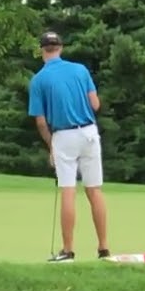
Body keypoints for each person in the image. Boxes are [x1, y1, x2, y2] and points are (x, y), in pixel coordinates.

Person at [27, 30, 109, 262]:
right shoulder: (80, 70)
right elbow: (95, 104)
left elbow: (41, 121)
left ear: (42, 51)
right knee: (94, 190)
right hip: (89, 133)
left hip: (63, 136)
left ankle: (68, 250)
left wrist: (51, 145)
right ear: (61, 48)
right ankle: (103, 249)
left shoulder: (39, 80)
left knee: (68, 191)